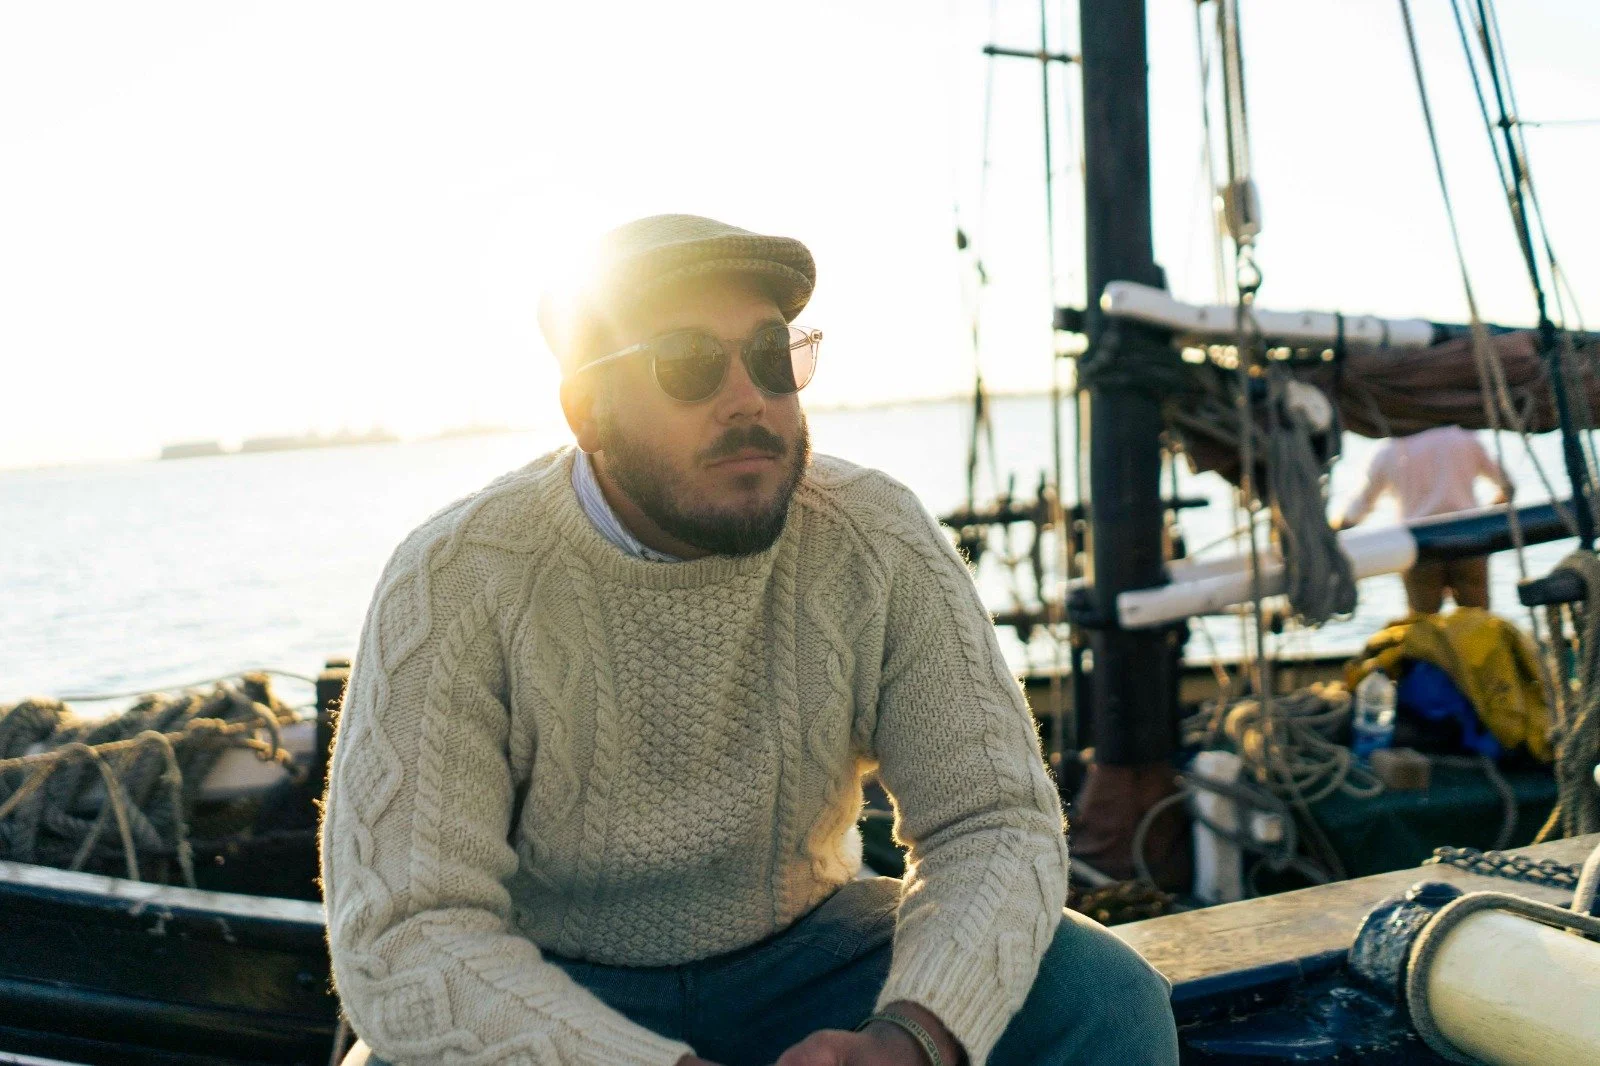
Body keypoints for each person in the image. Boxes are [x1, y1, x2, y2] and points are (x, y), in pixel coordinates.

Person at [320, 214, 1177, 1066]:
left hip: (814, 955)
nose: (750, 399)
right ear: (589, 410)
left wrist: (915, 1036)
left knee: (1106, 999)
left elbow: (992, 819)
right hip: (547, 980)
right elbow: (405, 931)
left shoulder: (873, 533)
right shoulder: (457, 576)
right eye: (688, 363)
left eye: (772, 356)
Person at [1335, 424, 1513, 613]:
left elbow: (1361, 506)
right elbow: (1508, 487)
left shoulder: (1389, 450)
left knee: (1423, 622)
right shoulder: (1464, 437)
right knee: (1478, 619)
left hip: (1418, 546)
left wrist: (1332, 532)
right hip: (1470, 540)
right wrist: (1486, 522)